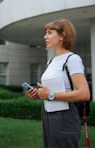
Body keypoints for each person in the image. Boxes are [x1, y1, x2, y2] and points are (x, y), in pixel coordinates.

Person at [27, 18, 90, 148]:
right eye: (45, 33)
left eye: (50, 33)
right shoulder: (51, 61)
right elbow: (54, 90)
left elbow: (84, 94)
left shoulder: (72, 59)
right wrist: (39, 94)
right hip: (48, 114)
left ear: (62, 36)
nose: (45, 37)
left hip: (65, 116)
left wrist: (51, 95)